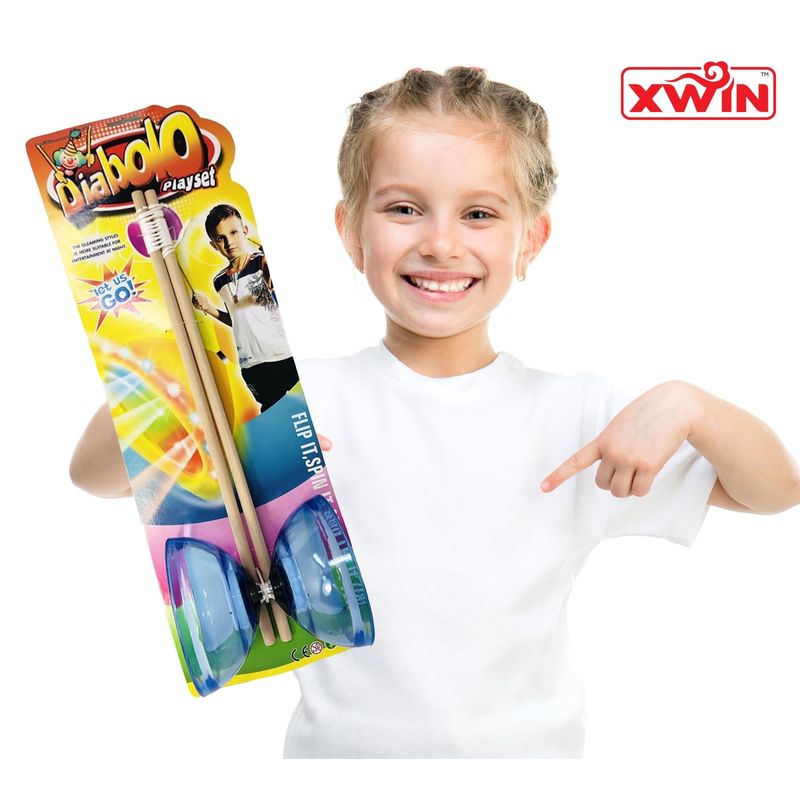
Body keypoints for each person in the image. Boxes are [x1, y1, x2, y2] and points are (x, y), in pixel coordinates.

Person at [69, 66, 800, 757]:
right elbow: (95, 474)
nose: (442, 242)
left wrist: (690, 406)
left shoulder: (577, 415)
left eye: (479, 213)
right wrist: (177, 363)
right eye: (403, 208)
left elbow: (774, 491)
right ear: (351, 232)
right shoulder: (294, 402)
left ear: (531, 240)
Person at [191, 204, 299, 413]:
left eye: (233, 232)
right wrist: (209, 308)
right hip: (252, 366)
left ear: (245, 231)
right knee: (275, 417)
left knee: (301, 411)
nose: (229, 242)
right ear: (214, 245)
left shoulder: (261, 263)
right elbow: (236, 321)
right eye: (221, 238)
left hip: (283, 356)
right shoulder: (219, 281)